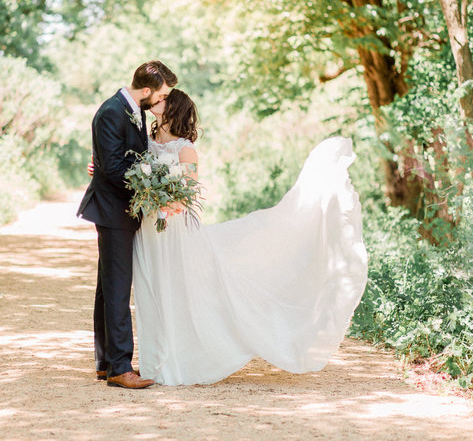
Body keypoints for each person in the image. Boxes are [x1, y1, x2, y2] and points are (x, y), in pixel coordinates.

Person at [131, 89, 369, 385]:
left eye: (165, 99)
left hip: (175, 231)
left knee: (176, 292)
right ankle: (153, 361)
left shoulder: (185, 149)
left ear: (174, 108)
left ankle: (173, 364)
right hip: (147, 229)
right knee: (150, 291)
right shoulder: (144, 141)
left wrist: (164, 204)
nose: (157, 100)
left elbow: (187, 194)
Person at [77, 60, 176, 389]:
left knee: (108, 287)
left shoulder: (136, 110)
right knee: (119, 289)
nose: (162, 100)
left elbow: (124, 159)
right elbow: (116, 169)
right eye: (161, 94)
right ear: (146, 91)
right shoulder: (111, 112)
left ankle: (106, 362)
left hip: (122, 209)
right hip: (112, 210)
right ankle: (120, 367)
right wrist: (153, 192)